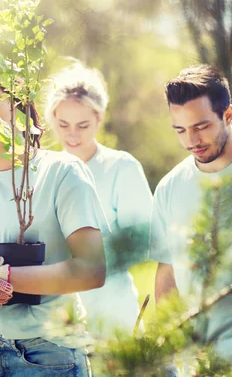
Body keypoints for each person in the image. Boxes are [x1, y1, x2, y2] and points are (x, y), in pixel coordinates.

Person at [0, 71, 108, 376]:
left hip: (47, 355)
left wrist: (1, 275)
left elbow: (91, 269)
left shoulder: (62, 173)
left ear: (21, 107)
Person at [149, 64, 232, 363]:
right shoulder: (169, 188)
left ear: (228, 115)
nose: (191, 141)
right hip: (198, 362)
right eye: (181, 130)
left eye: (201, 127)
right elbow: (167, 272)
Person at [44, 64, 153, 336]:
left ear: (99, 118)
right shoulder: (42, 171)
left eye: (83, 125)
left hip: (113, 315)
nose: (72, 134)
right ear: (52, 118)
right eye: (63, 124)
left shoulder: (121, 167)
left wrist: (84, 259)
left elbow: (142, 242)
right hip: (56, 321)